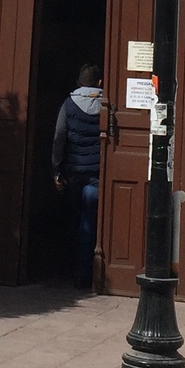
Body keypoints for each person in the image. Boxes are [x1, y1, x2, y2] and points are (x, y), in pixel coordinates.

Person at [52, 64, 105, 289]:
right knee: (89, 221)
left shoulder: (68, 104)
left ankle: (70, 268)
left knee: (74, 219)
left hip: (73, 172)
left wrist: (56, 169)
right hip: (96, 173)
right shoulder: (106, 105)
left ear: (78, 82)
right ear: (100, 83)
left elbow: (59, 138)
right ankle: (84, 273)